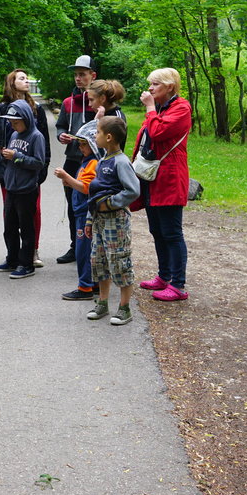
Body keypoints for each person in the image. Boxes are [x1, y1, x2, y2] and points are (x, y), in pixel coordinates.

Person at [132, 68, 193, 302]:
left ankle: (178, 285)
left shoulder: (181, 108)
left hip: (168, 179)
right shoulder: (161, 108)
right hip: (152, 178)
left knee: (172, 233)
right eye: (150, 84)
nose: (150, 88)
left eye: (155, 84)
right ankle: (164, 276)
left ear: (169, 86)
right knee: (157, 230)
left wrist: (149, 108)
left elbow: (157, 132)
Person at [0, 69, 51, 266]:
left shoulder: (36, 109)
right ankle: (13, 255)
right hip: (8, 173)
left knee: (32, 212)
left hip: (29, 173)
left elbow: (44, 144)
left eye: (26, 78)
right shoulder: (2, 109)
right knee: (10, 215)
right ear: (11, 82)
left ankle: (32, 252)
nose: (26, 81)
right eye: (21, 78)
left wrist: (42, 169)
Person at [85, 116, 142, 326]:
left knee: (119, 261)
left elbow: (133, 190)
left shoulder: (121, 162)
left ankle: (125, 308)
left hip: (116, 221)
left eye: (98, 132)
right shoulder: (102, 161)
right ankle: (102, 303)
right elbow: (95, 195)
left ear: (108, 137)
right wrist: (90, 220)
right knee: (99, 261)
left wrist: (111, 203)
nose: (95, 135)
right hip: (100, 221)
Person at [0, 99, 48, 279]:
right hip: (12, 188)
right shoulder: (14, 135)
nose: (13, 125)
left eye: (16, 122)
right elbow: (11, 157)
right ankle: (12, 259)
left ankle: (26, 264)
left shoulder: (36, 136)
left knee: (26, 228)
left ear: (26, 119)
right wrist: (5, 157)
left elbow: (39, 163)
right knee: (9, 227)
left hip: (26, 190)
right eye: (11, 122)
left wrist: (17, 156)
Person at [55, 55, 99, 264]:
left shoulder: (98, 102)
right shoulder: (67, 102)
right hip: (72, 160)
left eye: (82, 74)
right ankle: (76, 246)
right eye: (76, 75)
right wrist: (61, 135)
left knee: (93, 204)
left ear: (93, 76)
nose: (78, 78)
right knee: (74, 206)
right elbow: (61, 125)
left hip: (94, 161)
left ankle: (95, 247)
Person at [53, 121, 101, 301]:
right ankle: (93, 283)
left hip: (84, 214)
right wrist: (70, 181)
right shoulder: (86, 161)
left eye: (83, 144)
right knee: (87, 250)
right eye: (79, 143)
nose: (80, 147)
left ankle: (85, 287)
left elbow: (86, 188)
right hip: (81, 211)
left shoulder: (93, 163)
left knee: (83, 251)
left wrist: (66, 177)